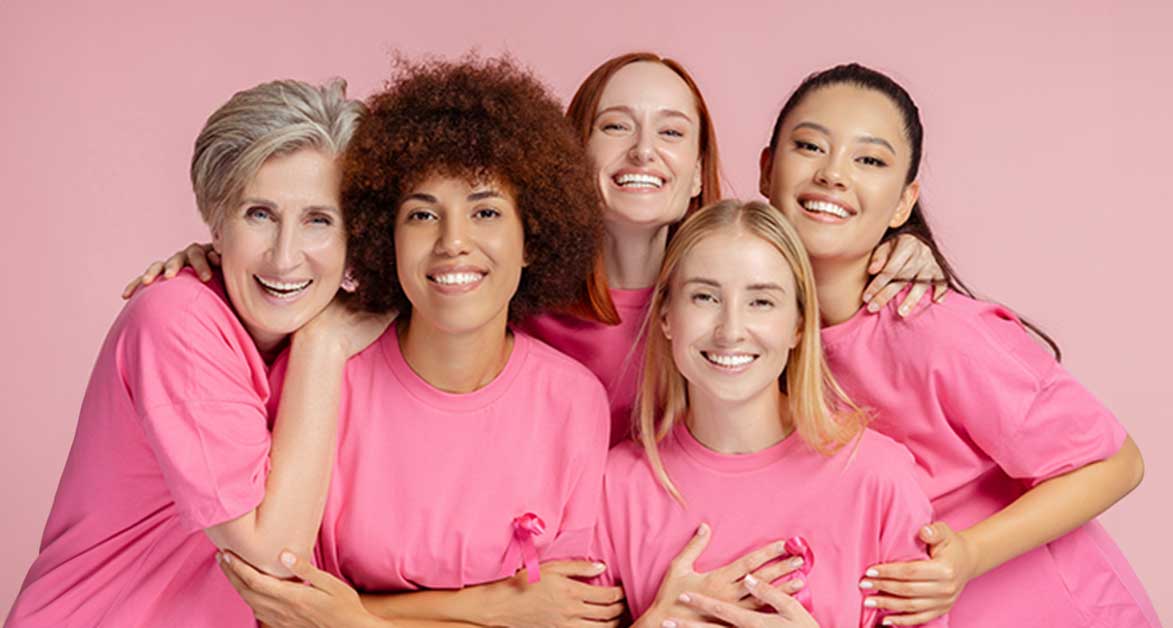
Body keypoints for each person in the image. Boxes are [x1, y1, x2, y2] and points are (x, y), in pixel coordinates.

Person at [129, 53, 949, 447]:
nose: (641, 153)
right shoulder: (504, 296)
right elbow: (344, 292)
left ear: (702, 167)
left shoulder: (730, 289)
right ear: (565, 157)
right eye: (613, 127)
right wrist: (216, 262)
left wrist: (902, 247)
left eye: (672, 132)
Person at [218, 56, 621, 628]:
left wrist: (356, 618)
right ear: (384, 235)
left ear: (532, 238)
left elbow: (562, 619)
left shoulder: (573, 401)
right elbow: (281, 604)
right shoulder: (321, 371)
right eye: (421, 215)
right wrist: (491, 607)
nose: (453, 241)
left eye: (484, 211)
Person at [758, 62, 1160, 626]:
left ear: (903, 202)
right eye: (810, 146)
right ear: (767, 168)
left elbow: (1118, 463)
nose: (834, 174)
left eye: (869, 160)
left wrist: (970, 554)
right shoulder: (750, 338)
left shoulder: (934, 328)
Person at [6, 79, 391, 627]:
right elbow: (273, 563)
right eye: (259, 214)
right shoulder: (178, 322)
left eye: (318, 220)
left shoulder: (335, 323)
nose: (285, 257)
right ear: (217, 222)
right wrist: (322, 347)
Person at [595, 199, 945, 628]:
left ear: (799, 324)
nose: (731, 330)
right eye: (705, 296)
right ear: (666, 315)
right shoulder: (614, 486)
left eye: (761, 302)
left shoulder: (878, 478)